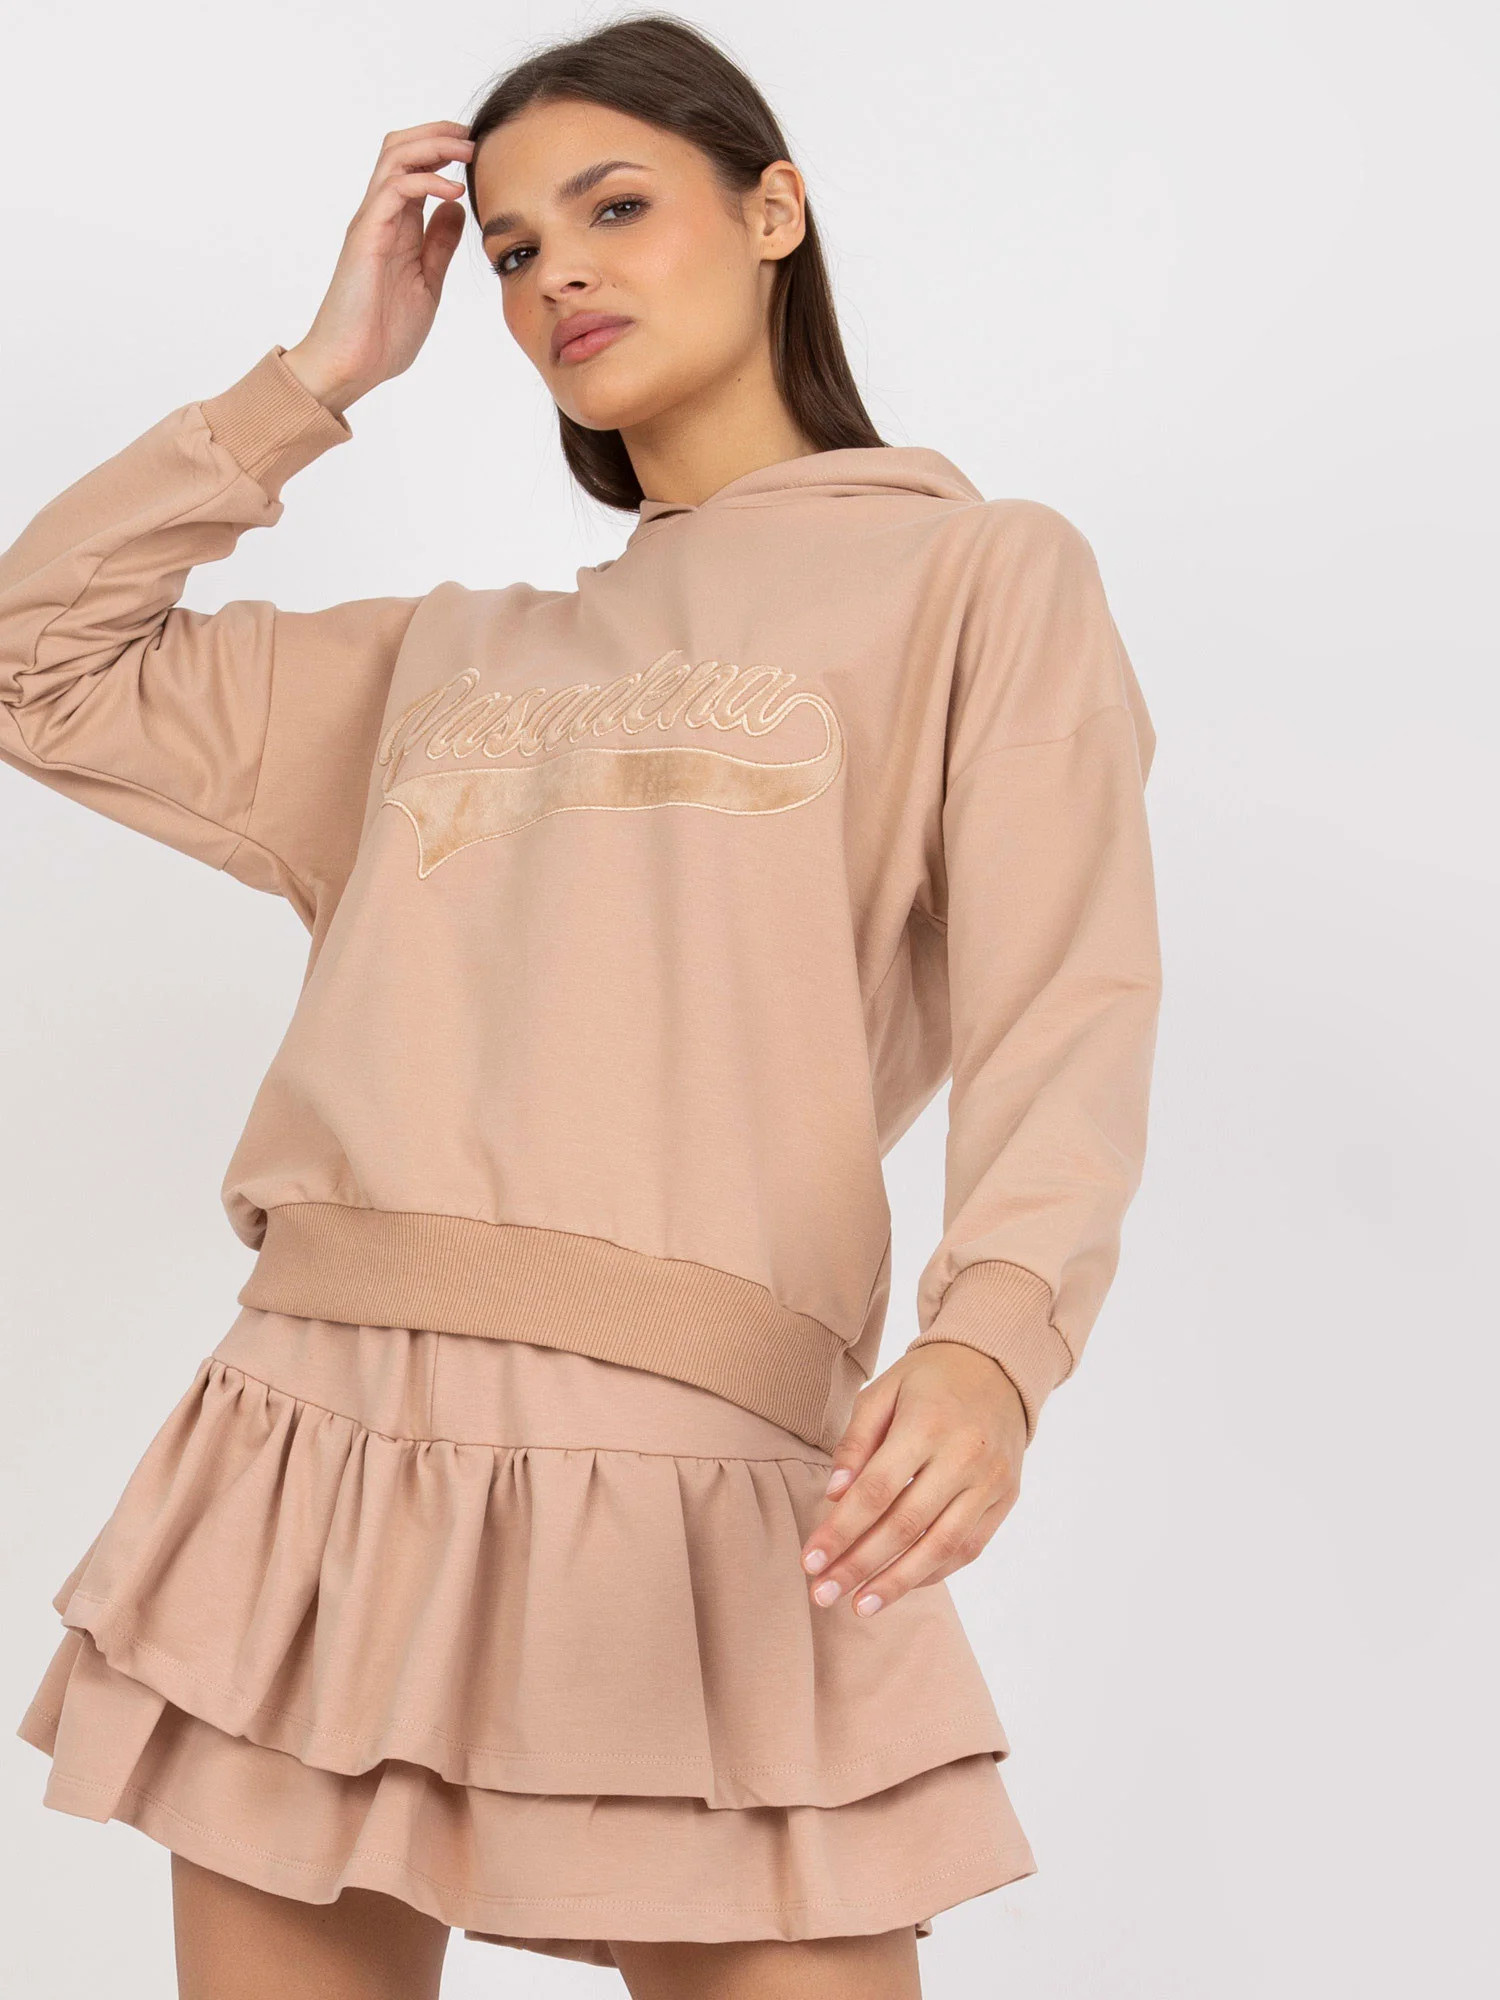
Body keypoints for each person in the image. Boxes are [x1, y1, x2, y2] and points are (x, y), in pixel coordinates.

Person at [1, 15, 1161, 1999]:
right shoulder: (447, 660)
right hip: (317, 1446)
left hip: (698, 1473)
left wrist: (997, 1338)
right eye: (517, 247)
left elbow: (1072, 994)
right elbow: (39, 662)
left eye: (616, 208)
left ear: (775, 210)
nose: (559, 278)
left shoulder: (981, 578)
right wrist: (318, 376)